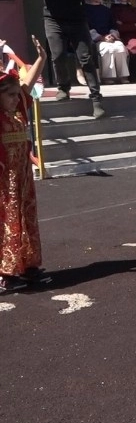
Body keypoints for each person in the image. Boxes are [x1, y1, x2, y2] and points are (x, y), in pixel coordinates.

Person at [30, 0, 104, 117]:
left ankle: (96, 100)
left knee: (86, 58)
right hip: (53, 20)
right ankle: (63, 87)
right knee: (58, 55)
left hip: (77, 21)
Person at [0, 36, 50, 293]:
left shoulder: (18, 110)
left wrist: (41, 57)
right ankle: (6, 272)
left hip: (23, 178)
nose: (13, 99)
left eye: (14, 95)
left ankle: (28, 265)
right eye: (8, 96)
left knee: (27, 219)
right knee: (6, 222)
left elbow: (27, 84)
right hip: (3, 182)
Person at [84, 0, 130, 84]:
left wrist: (112, 35)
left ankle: (122, 76)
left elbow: (113, 25)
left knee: (120, 47)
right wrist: (102, 37)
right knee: (106, 49)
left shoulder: (106, 10)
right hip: (97, 39)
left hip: (109, 37)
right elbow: (87, 28)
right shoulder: (85, 10)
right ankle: (107, 77)